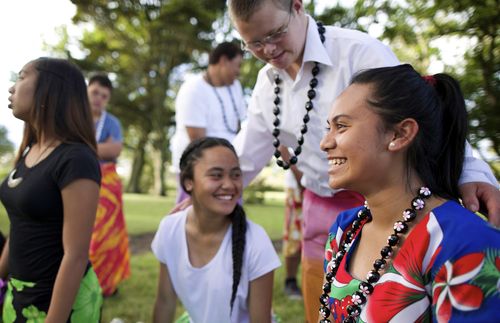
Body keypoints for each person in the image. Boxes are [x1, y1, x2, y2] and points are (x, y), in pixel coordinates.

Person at [226, 0, 500, 321]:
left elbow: (416, 110)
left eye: (276, 33)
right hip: (326, 212)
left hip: (393, 202)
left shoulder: (358, 52)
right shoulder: (266, 84)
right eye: (254, 43)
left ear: (298, 7)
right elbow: (245, 154)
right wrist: (200, 194)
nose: (268, 49)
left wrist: (471, 172)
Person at [319, 64, 500, 322]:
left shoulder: (465, 242)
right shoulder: (344, 231)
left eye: (342, 126)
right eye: (329, 127)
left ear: (400, 134)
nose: (326, 143)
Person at [0, 57, 102, 322]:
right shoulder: (30, 151)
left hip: (57, 301)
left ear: (50, 89)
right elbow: (20, 224)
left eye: (21, 77)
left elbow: (75, 254)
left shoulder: (75, 159)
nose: (12, 87)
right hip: (20, 293)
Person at [152, 137, 280, 323]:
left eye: (235, 175)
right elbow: (165, 301)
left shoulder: (256, 241)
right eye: (216, 175)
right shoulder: (170, 229)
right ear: (188, 182)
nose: (229, 184)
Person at [170, 42, 247, 204]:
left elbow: (239, 127)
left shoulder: (235, 87)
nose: (238, 72)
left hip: (229, 168)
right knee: (195, 222)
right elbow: (197, 141)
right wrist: (221, 171)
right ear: (224, 61)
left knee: (231, 221)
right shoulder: (193, 88)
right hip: (200, 170)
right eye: (237, 65)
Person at [87, 74, 131, 297]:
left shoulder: (112, 122)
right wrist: (100, 146)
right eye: (95, 92)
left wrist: (82, 145)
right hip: (79, 181)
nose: (98, 99)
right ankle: (80, 280)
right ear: (87, 90)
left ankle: (106, 284)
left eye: (104, 96)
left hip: (107, 185)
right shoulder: (74, 116)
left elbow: (114, 151)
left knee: (107, 234)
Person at [280, 147, 303, 300]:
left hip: (324, 188)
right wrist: (299, 177)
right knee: (295, 234)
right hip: (298, 186)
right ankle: (291, 280)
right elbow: (282, 147)